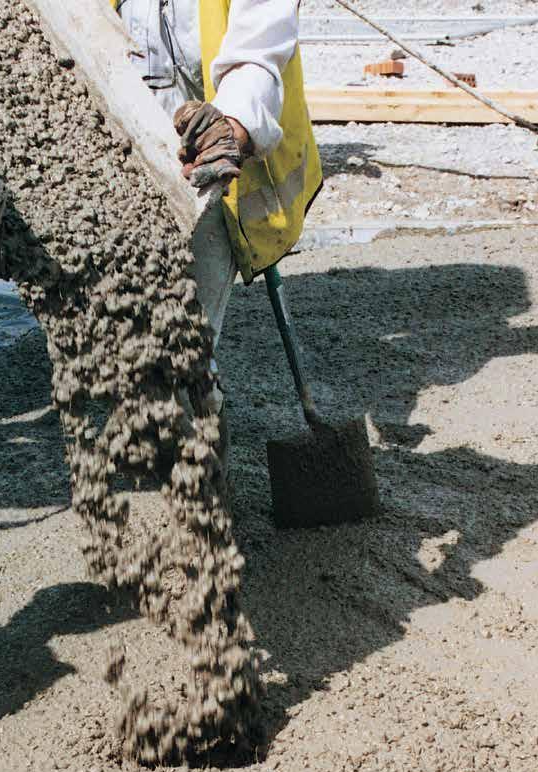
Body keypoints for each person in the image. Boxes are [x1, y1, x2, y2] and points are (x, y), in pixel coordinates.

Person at [114, 0, 322, 453]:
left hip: (217, 163)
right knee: (129, 340)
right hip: (129, 150)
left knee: (178, 353)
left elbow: (261, 42)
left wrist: (234, 124)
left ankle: (202, 467)